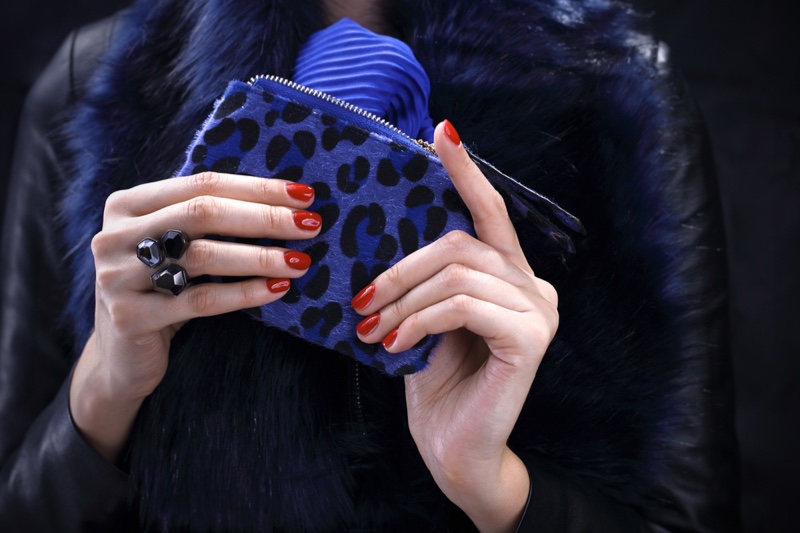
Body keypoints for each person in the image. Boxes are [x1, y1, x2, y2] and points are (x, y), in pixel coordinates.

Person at [0, 0, 739, 531]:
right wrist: (103, 391)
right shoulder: (87, 89)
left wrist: (497, 487)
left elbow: (687, 514)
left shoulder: (618, 94)